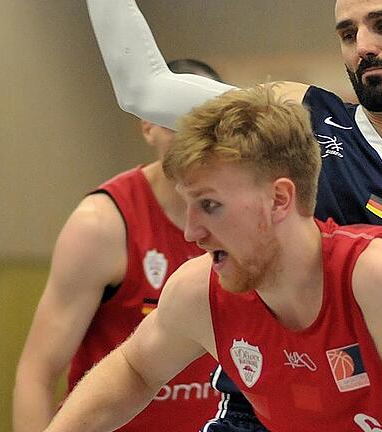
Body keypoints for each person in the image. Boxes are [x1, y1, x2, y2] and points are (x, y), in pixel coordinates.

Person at [43, 86, 382, 432]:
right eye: (189, 206)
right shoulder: (199, 292)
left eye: (209, 206)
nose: (190, 232)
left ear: (280, 199)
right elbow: (134, 371)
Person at [85, 1, 382, 428]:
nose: (364, 45)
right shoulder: (298, 117)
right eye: (348, 33)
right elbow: (143, 89)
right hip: (264, 409)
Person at [12, 60, 224, 432]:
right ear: (147, 126)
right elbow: (37, 372)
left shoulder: (244, 218)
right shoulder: (102, 225)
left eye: (203, 121)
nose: (190, 134)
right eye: (173, 119)